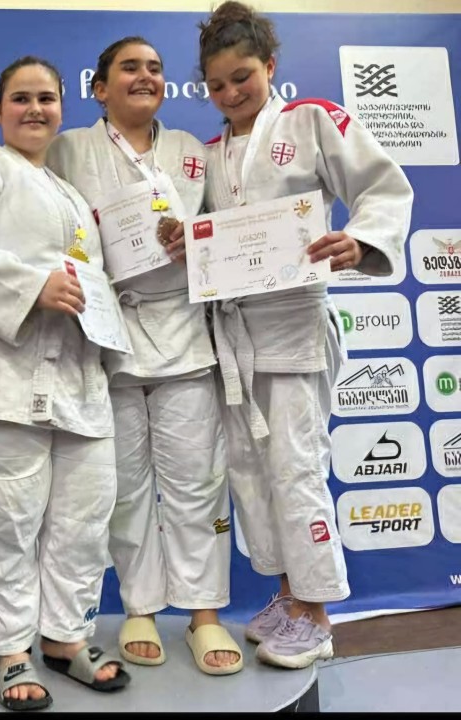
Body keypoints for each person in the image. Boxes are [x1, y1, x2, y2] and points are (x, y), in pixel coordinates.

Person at [198, 1, 413, 669]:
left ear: (270, 65)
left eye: (242, 77)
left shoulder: (311, 119)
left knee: (295, 469)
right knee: (253, 474)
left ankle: (318, 617)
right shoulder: (209, 155)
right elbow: (203, 240)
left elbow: (383, 187)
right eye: (217, 85)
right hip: (235, 337)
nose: (231, 93)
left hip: (293, 326)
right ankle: (290, 597)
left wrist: (360, 239)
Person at [0, 56, 130, 712]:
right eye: (21, 98)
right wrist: (32, 285)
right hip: (0, 378)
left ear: (63, 108)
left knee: (83, 520)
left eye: (46, 98)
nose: (35, 109)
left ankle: (66, 637)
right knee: (8, 525)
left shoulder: (70, 195)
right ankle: (12, 651)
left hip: (78, 377)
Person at [47, 37, 241, 676]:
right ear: (99, 88)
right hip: (110, 336)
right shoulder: (68, 149)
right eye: (129, 68)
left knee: (197, 481)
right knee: (125, 486)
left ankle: (205, 614)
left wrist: (197, 243)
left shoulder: (190, 151)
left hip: (184, 331)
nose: (145, 76)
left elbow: (228, 233)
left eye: (155, 68)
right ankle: (140, 606)